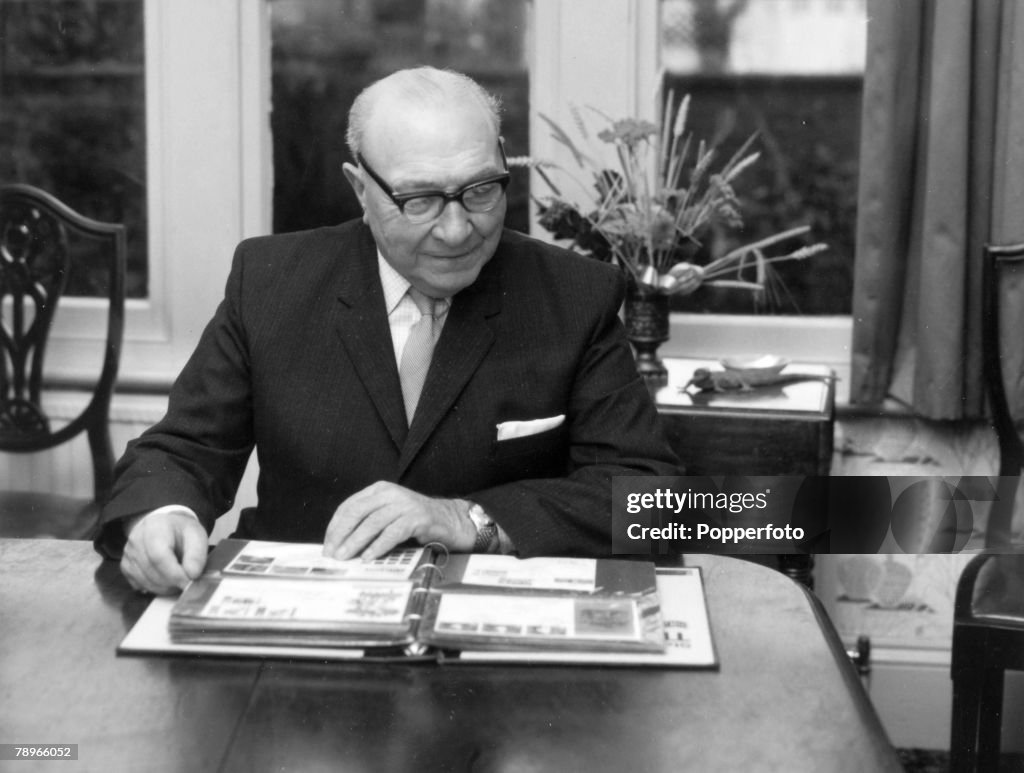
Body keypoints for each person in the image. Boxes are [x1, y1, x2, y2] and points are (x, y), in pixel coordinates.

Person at [96, 66, 680, 595]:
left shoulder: (576, 295)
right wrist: (160, 518)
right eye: (420, 200)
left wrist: (464, 519)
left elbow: (658, 504)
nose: (456, 231)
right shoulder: (271, 282)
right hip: (297, 638)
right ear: (360, 187)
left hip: (489, 652)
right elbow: (182, 450)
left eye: (480, 190)